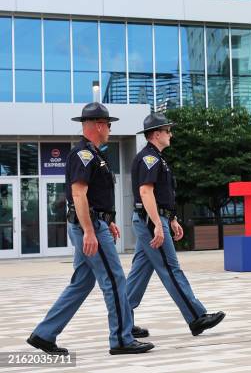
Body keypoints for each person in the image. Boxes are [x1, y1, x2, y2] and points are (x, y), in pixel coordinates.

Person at [27, 103, 154, 356]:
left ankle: (43, 334)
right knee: (115, 279)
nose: (109, 129)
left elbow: (95, 196)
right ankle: (121, 339)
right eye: (108, 124)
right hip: (90, 227)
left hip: (95, 223)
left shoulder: (95, 154)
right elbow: (78, 193)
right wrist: (90, 230)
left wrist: (108, 220)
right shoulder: (83, 154)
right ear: (98, 125)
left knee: (81, 283)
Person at [126, 113, 225, 338]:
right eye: (168, 130)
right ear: (156, 134)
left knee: (139, 273)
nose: (171, 134)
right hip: (150, 220)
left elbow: (161, 195)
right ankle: (196, 317)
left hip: (153, 219)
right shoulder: (149, 158)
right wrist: (157, 224)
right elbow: (145, 192)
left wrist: (171, 219)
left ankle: (122, 321)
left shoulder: (157, 158)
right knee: (171, 268)